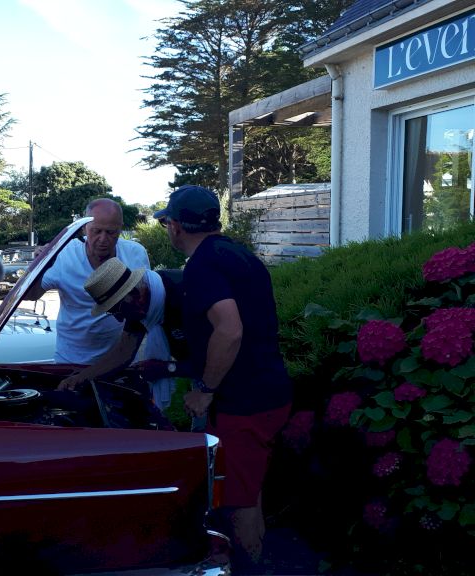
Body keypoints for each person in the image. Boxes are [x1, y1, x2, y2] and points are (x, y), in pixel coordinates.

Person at [156, 184, 292, 575]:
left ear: (175, 226)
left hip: (243, 403)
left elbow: (230, 330)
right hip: (269, 392)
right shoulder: (239, 254)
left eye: (167, 223)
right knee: (249, 490)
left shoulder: (202, 265)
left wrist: (204, 390)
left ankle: (251, 570)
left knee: (237, 502)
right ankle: (256, 559)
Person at [26, 198, 150, 366]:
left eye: (111, 232)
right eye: (96, 231)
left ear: (120, 228)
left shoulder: (135, 253)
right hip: (71, 360)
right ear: (84, 228)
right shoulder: (63, 254)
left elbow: (145, 302)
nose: (103, 239)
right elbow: (30, 295)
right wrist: (39, 266)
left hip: (122, 360)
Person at [56, 259, 180, 410]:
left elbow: (207, 358)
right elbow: (124, 351)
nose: (119, 319)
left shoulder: (184, 295)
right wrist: (81, 377)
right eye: (112, 312)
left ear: (134, 293)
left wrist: (166, 368)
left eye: (117, 309)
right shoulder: (138, 303)